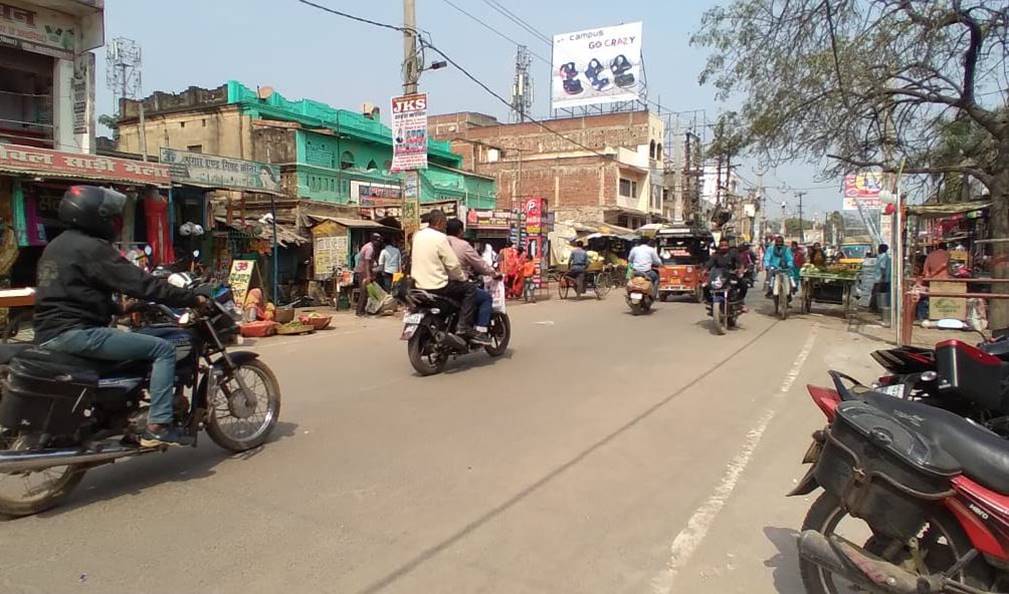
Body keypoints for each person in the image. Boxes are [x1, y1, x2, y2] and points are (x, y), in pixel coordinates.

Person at [33, 186, 207, 448]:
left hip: (52, 332)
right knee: (163, 349)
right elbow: (142, 283)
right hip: (77, 333)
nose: (113, 221)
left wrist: (121, 309)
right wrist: (192, 298)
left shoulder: (57, 246)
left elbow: (74, 293)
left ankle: (121, 414)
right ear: (92, 215)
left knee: (131, 345)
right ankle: (157, 425)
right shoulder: (91, 248)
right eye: (108, 215)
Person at [411, 209, 478, 338]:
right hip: (437, 286)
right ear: (440, 222)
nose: (445, 227)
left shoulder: (417, 235)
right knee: (470, 289)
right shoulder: (440, 238)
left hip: (418, 284)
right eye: (444, 223)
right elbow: (453, 264)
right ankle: (463, 326)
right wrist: (462, 278)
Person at [445, 218, 499, 345]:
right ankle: (480, 331)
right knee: (485, 298)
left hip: (436, 282)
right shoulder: (463, 245)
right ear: (460, 232)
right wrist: (493, 273)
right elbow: (479, 264)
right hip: (457, 283)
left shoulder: (440, 242)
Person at [354, 233, 383, 317]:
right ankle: (359, 311)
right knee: (364, 292)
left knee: (366, 292)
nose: (378, 243)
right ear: (373, 240)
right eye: (377, 241)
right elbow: (367, 263)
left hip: (363, 271)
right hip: (363, 271)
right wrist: (368, 275)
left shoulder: (369, 246)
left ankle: (362, 310)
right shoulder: (369, 248)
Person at [875, 243, 892, 312]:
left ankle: (882, 309)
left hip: (882, 279)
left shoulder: (883, 257)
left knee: (881, 294)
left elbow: (883, 269)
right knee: (883, 294)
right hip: (883, 278)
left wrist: (882, 279)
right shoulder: (885, 257)